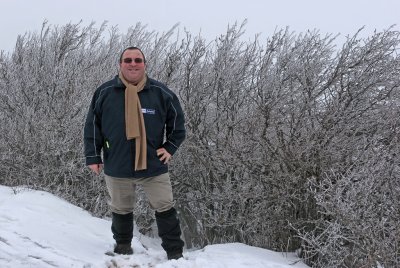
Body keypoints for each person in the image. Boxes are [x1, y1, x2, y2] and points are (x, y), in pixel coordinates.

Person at [84, 46, 185, 260]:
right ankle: (122, 248)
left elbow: (178, 124)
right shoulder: (105, 92)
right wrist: (93, 156)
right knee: (121, 208)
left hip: (153, 164)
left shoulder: (160, 92)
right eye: (128, 60)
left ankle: (175, 254)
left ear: (144, 64)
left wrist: (170, 148)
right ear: (120, 64)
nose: (133, 64)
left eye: (137, 60)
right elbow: (93, 125)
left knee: (165, 208)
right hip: (117, 162)